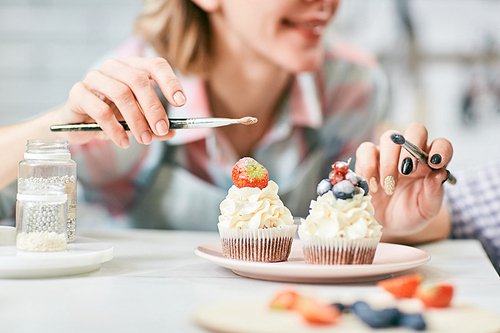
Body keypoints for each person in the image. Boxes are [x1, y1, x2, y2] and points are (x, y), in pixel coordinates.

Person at [0, 0, 453, 244]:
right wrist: (57, 126)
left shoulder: (352, 86)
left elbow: (375, 215)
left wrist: (379, 223)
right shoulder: (133, 97)